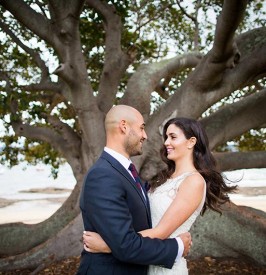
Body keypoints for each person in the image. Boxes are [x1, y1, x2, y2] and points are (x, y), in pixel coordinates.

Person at [83, 117, 237, 274]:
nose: (166, 143)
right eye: (166, 137)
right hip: (144, 260)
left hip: (165, 268)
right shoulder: (163, 179)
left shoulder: (194, 181)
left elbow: (161, 231)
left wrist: (108, 245)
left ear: (191, 142)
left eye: (173, 137)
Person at [76, 106, 192, 275]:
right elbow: (125, 246)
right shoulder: (103, 175)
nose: (145, 135)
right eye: (141, 128)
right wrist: (177, 246)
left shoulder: (125, 171)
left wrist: (108, 245)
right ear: (124, 126)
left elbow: (125, 239)